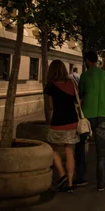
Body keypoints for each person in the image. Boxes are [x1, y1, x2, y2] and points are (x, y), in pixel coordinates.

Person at [75, 50, 105, 191]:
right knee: (101, 151)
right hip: (102, 116)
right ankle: (101, 183)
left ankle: (80, 177)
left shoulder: (84, 76)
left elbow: (81, 95)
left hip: (87, 117)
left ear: (87, 60)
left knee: (80, 146)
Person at [44, 60, 79, 193]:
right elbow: (77, 100)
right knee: (69, 151)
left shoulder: (50, 86)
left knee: (52, 149)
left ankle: (62, 174)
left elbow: (51, 107)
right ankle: (70, 184)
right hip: (72, 122)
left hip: (58, 123)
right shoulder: (72, 83)